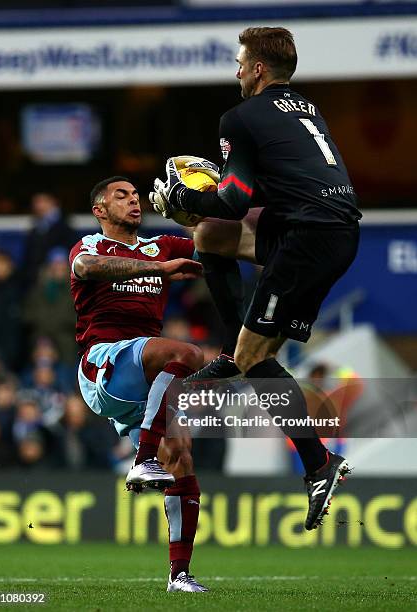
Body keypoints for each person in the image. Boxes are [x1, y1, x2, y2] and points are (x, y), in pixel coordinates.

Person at [150, 27, 361, 531]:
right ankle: (230, 348)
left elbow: (234, 198)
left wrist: (181, 200)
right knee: (210, 238)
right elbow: (269, 187)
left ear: (259, 69)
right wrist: (203, 209)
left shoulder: (239, 117)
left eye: (241, 62)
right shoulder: (304, 108)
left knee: (254, 360)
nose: (237, 70)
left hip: (309, 237)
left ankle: (319, 465)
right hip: (323, 227)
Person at [69, 176, 207, 592]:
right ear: (100, 210)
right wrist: (159, 269)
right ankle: (142, 457)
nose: (134, 201)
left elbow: (217, 245)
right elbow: (85, 269)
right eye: (121, 196)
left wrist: (204, 205)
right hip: (103, 362)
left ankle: (179, 575)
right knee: (188, 354)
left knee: (180, 457)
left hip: (141, 379)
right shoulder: (92, 247)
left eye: (136, 195)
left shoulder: (162, 242)